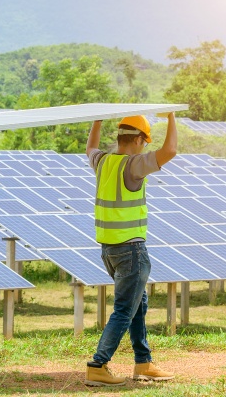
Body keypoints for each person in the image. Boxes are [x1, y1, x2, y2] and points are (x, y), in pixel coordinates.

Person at [84, 112, 178, 387]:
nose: (145, 148)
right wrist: (171, 116)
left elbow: (90, 148)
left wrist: (97, 120)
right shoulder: (132, 166)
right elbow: (170, 150)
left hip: (109, 250)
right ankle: (98, 365)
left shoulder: (102, 162)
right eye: (145, 142)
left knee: (138, 304)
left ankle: (143, 362)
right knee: (125, 308)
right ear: (138, 139)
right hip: (131, 250)